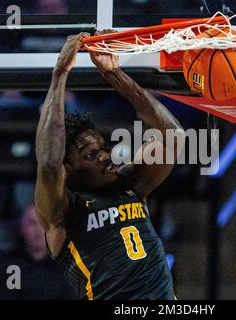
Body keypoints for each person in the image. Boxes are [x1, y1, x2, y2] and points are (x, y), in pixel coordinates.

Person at [35, 32, 183, 299]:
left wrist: (114, 75)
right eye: (90, 155)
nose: (106, 156)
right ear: (68, 168)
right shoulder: (64, 211)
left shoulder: (131, 183)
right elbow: (48, 163)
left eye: (103, 148)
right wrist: (60, 75)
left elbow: (173, 135)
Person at [0, 205, 73, 300]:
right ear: (21, 228)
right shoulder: (3, 264)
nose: (39, 230)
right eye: (33, 223)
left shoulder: (68, 267)